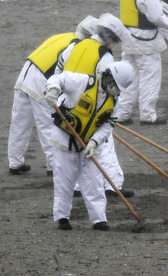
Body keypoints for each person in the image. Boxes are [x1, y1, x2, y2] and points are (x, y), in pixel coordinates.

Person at [43, 60, 134, 231]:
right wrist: (53, 90)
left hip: (89, 144)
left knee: (94, 182)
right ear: (108, 77)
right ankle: (62, 217)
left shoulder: (115, 102)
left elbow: (108, 126)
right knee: (64, 180)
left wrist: (95, 142)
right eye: (115, 85)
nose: (115, 90)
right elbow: (59, 78)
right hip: (64, 139)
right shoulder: (84, 82)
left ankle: (99, 219)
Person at [7, 16, 99, 176]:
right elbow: (67, 76)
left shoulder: (62, 36)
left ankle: (15, 162)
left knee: (19, 123)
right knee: (48, 125)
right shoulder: (77, 47)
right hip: (41, 81)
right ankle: (53, 166)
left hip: (24, 75)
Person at [54, 13, 132, 198]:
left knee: (73, 145)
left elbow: (59, 70)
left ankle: (77, 187)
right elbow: (108, 85)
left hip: (65, 103)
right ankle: (113, 186)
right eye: (115, 40)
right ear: (110, 38)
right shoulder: (105, 56)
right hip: (89, 106)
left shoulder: (75, 45)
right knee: (103, 143)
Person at [115, 0, 168, 124]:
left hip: (127, 38)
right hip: (146, 40)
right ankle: (148, 115)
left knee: (129, 77)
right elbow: (156, 17)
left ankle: (122, 113)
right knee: (150, 77)